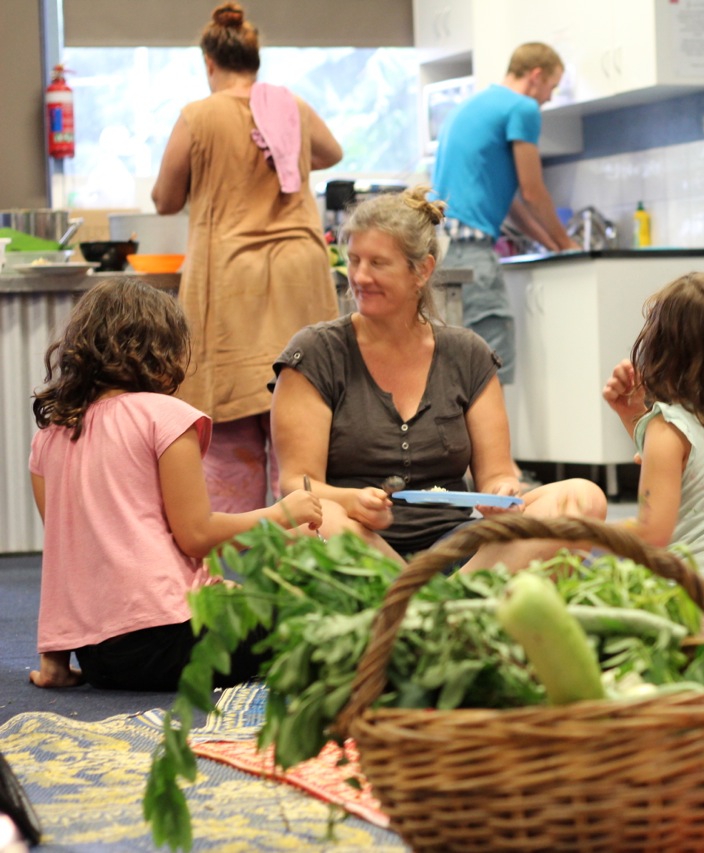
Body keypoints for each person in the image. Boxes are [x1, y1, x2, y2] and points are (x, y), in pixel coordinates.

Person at [270, 185, 605, 562]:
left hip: (457, 547)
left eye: (378, 263)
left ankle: (433, 590)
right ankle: (439, 593)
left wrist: (502, 493)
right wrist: (350, 501)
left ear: (423, 270)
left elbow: (497, 476)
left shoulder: (468, 354)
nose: (360, 277)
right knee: (312, 520)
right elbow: (295, 484)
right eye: (354, 260)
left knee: (581, 497)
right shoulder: (316, 352)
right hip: (356, 543)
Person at [28, 279, 323, 691]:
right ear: (163, 351)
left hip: (99, 659)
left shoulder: (50, 436)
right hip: (173, 643)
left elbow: (68, 556)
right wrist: (280, 514)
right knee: (313, 611)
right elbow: (196, 535)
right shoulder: (165, 416)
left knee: (240, 597)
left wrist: (55, 661)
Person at [152, 1, 344, 514]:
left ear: (209, 62)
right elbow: (333, 153)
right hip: (301, 275)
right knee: (302, 427)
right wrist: (286, 152)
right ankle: (312, 546)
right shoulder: (291, 106)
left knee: (230, 439)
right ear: (255, 60)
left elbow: (165, 199)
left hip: (231, 280)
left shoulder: (199, 115)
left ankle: (240, 556)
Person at [602, 273, 704, 623]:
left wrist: (580, 531)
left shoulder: (668, 429)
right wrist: (633, 415)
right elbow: (693, 469)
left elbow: (652, 534)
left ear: (660, 349)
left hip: (692, 618)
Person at [431, 41, 580, 386]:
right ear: (536, 76)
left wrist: (552, 244)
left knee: (457, 371)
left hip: (442, 250)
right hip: (471, 252)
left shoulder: (471, 106)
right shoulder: (522, 107)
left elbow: (512, 204)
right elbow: (533, 191)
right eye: (552, 87)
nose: (549, 98)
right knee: (489, 368)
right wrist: (566, 243)